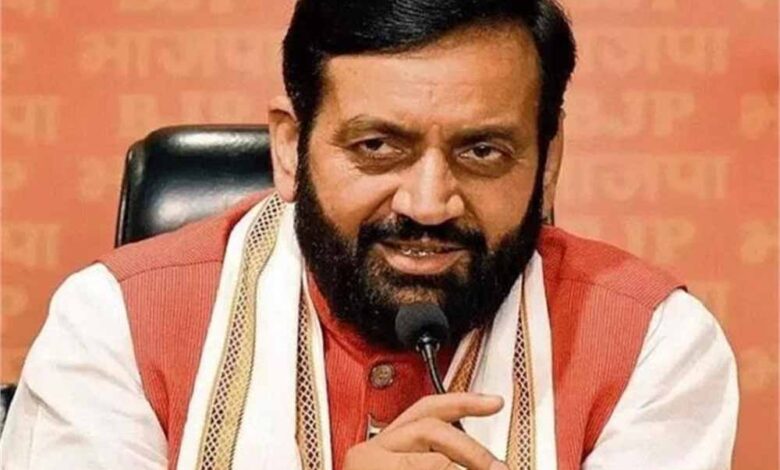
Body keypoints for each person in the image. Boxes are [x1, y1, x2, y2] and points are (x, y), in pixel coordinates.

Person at [0, 0, 738, 469]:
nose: (429, 204)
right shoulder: (117, 323)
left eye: (483, 151)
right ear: (290, 148)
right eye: (378, 147)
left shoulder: (653, 342)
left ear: (548, 162)